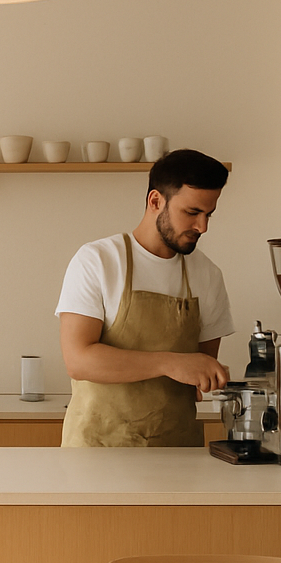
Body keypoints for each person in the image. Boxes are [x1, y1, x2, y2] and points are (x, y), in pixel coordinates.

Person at [56, 149, 234, 447]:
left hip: (176, 453)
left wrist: (210, 375)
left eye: (208, 214)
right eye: (192, 213)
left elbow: (200, 368)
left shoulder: (208, 275)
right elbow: (78, 360)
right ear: (155, 201)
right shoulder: (98, 260)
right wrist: (170, 363)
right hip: (97, 454)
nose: (202, 227)